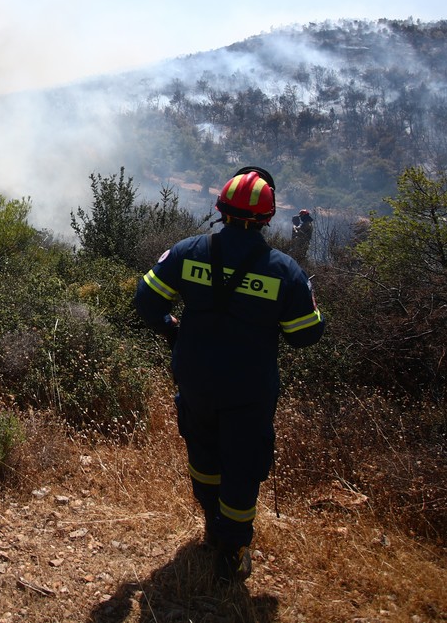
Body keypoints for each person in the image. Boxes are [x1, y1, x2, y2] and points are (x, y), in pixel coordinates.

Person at [134, 167, 324, 583]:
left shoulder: (188, 252)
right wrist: (310, 300)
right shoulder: (284, 270)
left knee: (204, 457)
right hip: (248, 390)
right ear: (268, 218)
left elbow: (146, 300)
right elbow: (305, 336)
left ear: (220, 208)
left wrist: (173, 331)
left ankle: (211, 522)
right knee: (241, 466)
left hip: (196, 381)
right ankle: (233, 549)